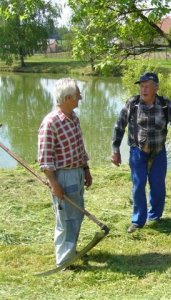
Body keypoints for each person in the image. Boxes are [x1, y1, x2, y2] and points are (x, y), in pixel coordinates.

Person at [111, 72, 171, 233]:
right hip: (138, 152)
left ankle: (155, 216)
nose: (143, 90)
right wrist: (115, 149)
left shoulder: (164, 103)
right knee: (138, 185)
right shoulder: (133, 103)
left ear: (156, 88)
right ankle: (138, 221)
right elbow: (119, 125)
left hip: (158, 152)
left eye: (147, 86)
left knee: (158, 186)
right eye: (141, 86)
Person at [38, 78, 92, 268]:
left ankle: (71, 251)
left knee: (76, 214)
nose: (81, 98)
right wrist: (54, 184)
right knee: (65, 218)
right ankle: (64, 261)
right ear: (68, 98)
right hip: (63, 175)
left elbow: (80, 147)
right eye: (78, 95)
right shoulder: (50, 123)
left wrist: (86, 170)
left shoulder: (74, 118)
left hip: (76, 173)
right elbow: (45, 160)